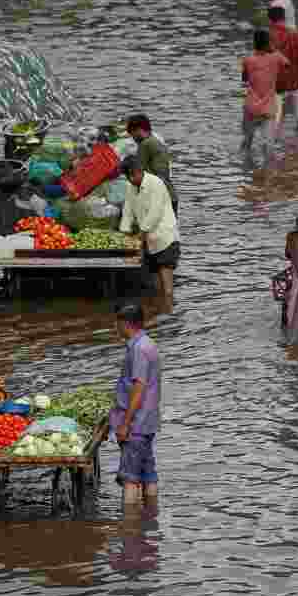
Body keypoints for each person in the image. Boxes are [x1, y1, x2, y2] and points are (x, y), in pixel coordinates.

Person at [110, 304, 163, 504]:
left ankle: (130, 526)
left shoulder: (138, 349)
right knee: (148, 471)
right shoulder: (149, 344)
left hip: (136, 424)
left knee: (130, 477)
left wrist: (125, 422)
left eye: (117, 322)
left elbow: (138, 388)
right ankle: (151, 515)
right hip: (148, 421)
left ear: (125, 324)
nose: (115, 327)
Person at [119, 156, 180, 315]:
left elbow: (155, 213)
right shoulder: (130, 186)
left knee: (167, 287)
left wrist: (139, 235)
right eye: (128, 177)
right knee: (156, 284)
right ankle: (161, 313)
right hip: (148, 240)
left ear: (140, 171)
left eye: (133, 175)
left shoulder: (156, 184)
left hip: (164, 237)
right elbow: (127, 211)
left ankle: (168, 313)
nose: (131, 180)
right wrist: (124, 233)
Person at [241, 29, 290, 162]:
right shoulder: (276, 57)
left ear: (254, 43)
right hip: (268, 109)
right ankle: (268, 173)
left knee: (247, 141)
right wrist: (273, 50)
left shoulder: (247, 60)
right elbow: (287, 64)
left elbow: (244, 79)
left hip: (250, 108)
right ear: (268, 43)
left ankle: (245, 168)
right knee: (269, 145)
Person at [267, 6, 298, 140]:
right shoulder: (294, 33)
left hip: (277, 81)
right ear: (284, 18)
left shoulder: (269, 36)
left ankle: (273, 139)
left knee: (276, 111)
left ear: (270, 20)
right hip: (295, 77)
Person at [125, 115, 177, 217]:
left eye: (132, 134)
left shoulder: (145, 145)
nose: (133, 138)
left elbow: (139, 174)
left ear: (139, 130)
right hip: (170, 195)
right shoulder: (156, 141)